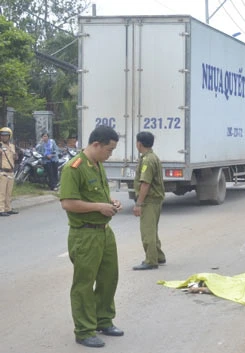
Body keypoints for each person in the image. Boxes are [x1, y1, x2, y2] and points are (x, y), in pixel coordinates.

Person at [59, 125, 124, 348]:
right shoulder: (74, 168)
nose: (110, 154)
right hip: (85, 234)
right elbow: (67, 203)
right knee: (84, 284)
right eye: (109, 149)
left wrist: (111, 202)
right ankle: (84, 330)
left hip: (104, 232)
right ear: (96, 144)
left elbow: (99, 194)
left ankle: (103, 319)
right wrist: (99, 206)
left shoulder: (97, 164)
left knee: (109, 278)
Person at [132, 131, 166, 270]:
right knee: (153, 229)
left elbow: (145, 183)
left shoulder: (147, 160)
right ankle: (158, 255)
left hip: (150, 200)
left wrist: (139, 203)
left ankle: (151, 260)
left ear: (139, 144)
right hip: (155, 199)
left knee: (147, 231)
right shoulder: (152, 157)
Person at [0, 127, 18, 216]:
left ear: (9, 136)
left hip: (11, 171)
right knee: (2, 192)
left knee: (9, 192)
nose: (4, 137)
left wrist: (15, 155)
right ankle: (1, 209)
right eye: (2, 136)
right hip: (2, 171)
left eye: (6, 136)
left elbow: (15, 158)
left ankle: (8, 208)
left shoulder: (12, 146)